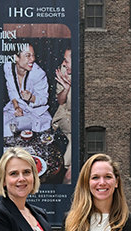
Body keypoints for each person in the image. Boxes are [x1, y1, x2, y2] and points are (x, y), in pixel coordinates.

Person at [3, 42, 52, 137]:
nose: (32, 59)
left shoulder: (39, 74)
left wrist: (31, 98)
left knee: (12, 126)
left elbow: (44, 99)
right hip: (15, 108)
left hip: (35, 114)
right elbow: (11, 90)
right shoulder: (8, 67)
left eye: (33, 55)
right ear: (16, 58)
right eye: (28, 55)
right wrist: (17, 107)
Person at [51, 46, 72, 183]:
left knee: (74, 138)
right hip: (65, 114)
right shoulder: (63, 70)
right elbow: (61, 100)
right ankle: (66, 169)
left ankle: (67, 171)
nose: (63, 64)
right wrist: (66, 87)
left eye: (66, 60)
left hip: (78, 116)